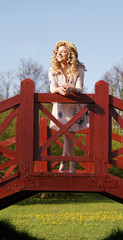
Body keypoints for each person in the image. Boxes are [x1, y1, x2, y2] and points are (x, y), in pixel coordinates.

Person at [49, 40, 88, 173]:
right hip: (60, 107)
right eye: (57, 51)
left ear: (69, 54)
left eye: (62, 51)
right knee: (67, 134)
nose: (58, 54)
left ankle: (65, 164)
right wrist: (59, 90)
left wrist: (71, 89)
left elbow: (80, 88)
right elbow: (52, 87)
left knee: (68, 134)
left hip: (74, 106)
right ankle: (70, 164)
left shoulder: (79, 69)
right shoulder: (53, 70)